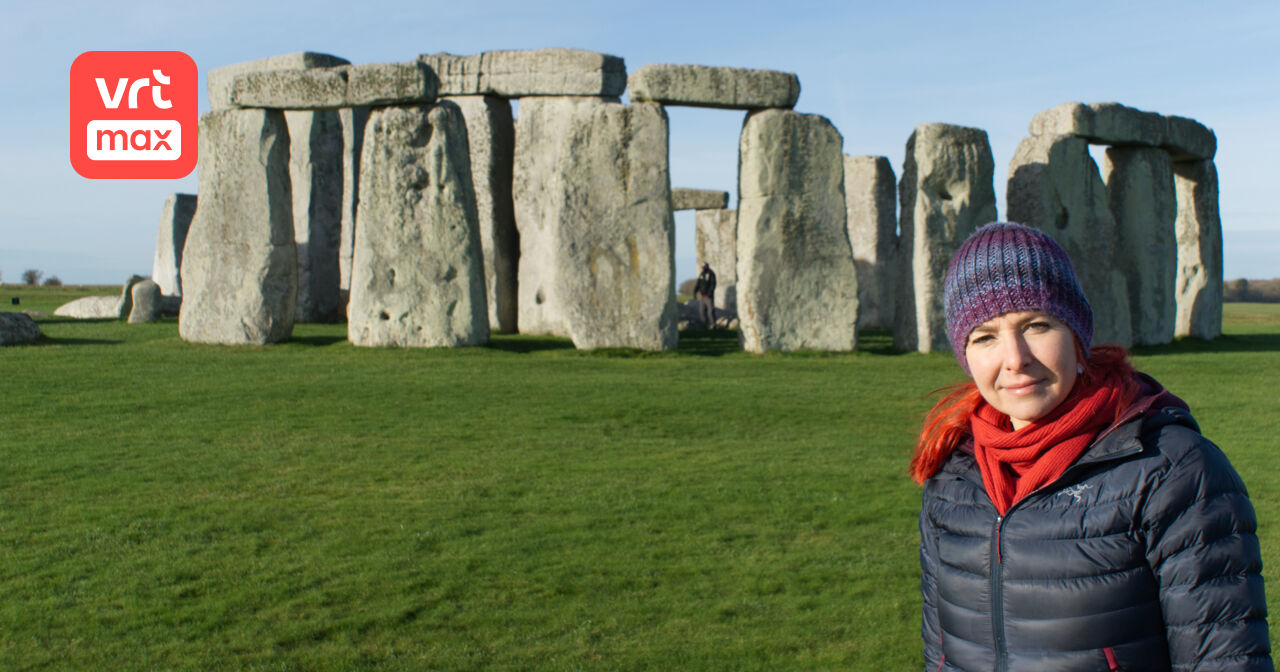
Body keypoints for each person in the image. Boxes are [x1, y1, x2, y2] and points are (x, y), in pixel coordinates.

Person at [913, 222, 1272, 671]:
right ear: (965, 354)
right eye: (985, 336)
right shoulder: (953, 475)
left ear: (1077, 334)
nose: (1015, 358)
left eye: (1037, 325)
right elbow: (940, 652)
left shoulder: (1172, 471)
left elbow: (1224, 660)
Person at [694, 263, 717, 329]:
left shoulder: (711, 274)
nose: (703, 268)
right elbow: (699, 283)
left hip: (708, 296)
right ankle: (704, 325)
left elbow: (713, 284)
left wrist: (710, 292)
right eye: (702, 267)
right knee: (702, 311)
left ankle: (713, 325)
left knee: (710, 311)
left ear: (707, 266)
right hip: (702, 296)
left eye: (704, 267)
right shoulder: (702, 274)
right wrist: (695, 291)